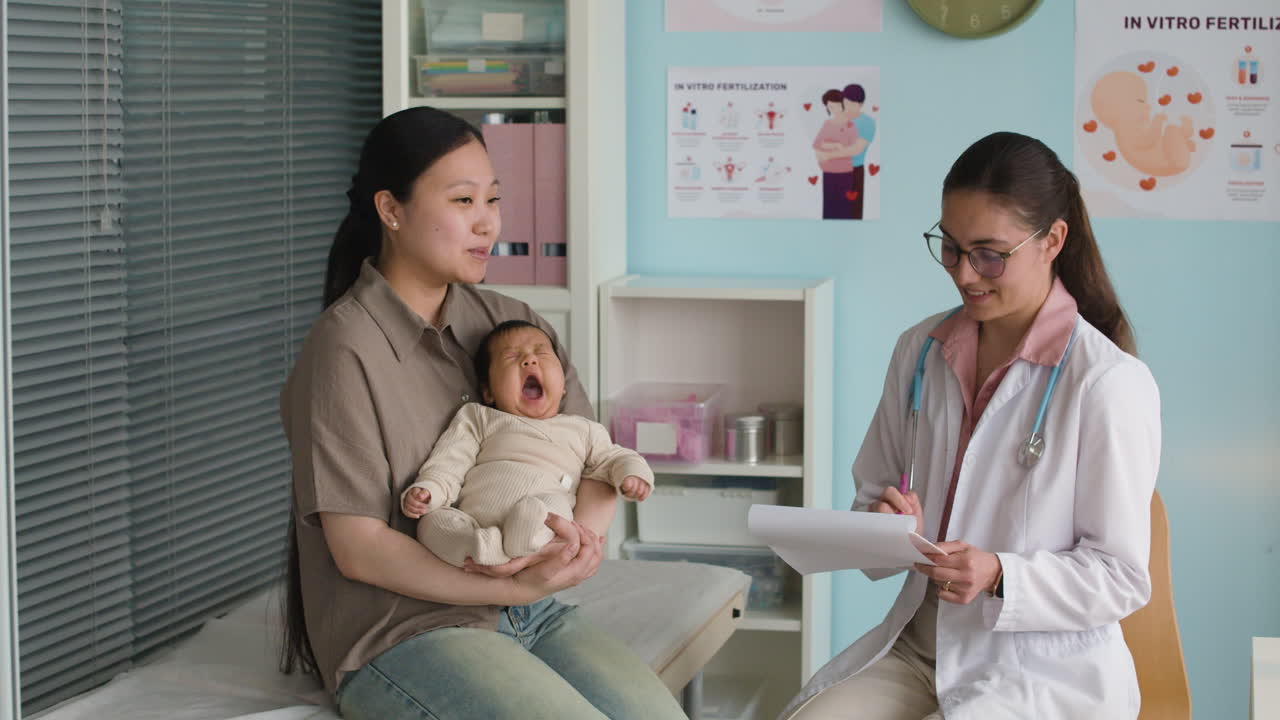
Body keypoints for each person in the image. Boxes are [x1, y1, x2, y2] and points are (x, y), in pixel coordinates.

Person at [278, 106, 688, 720]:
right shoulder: (345, 348)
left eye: (493, 200)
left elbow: (590, 459)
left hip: (533, 612)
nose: (488, 223)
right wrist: (509, 583)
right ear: (391, 210)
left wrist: (578, 549)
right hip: (405, 633)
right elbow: (359, 549)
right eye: (463, 201)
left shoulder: (511, 322)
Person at [781, 132, 1160, 720]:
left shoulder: (1106, 382)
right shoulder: (920, 352)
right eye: (951, 248)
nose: (964, 273)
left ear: (1052, 240)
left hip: (1036, 668)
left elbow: (1121, 578)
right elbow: (871, 497)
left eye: (989, 253)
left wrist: (1001, 573)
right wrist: (884, 526)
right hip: (919, 651)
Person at [401, 320, 654, 567]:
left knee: (553, 511)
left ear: (563, 386)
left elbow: (615, 458)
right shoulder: (479, 417)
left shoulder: (583, 430)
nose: (529, 360)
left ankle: (523, 539)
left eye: (541, 353)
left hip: (540, 511)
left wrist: (632, 474)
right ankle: (480, 547)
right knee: (431, 524)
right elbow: (450, 460)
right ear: (488, 391)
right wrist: (430, 490)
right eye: (511, 357)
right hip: (473, 521)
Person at [812, 88, 858, 219]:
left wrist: (829, 149)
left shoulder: (850, 125)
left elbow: (851, 148)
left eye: (835, 105)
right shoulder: (827, 124)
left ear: (842, 104)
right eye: (829, 107)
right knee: (829, 209)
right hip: (828, 172)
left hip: (845, 173)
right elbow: (817, 144)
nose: (833, 109)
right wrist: (834, 145)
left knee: (844, 210)